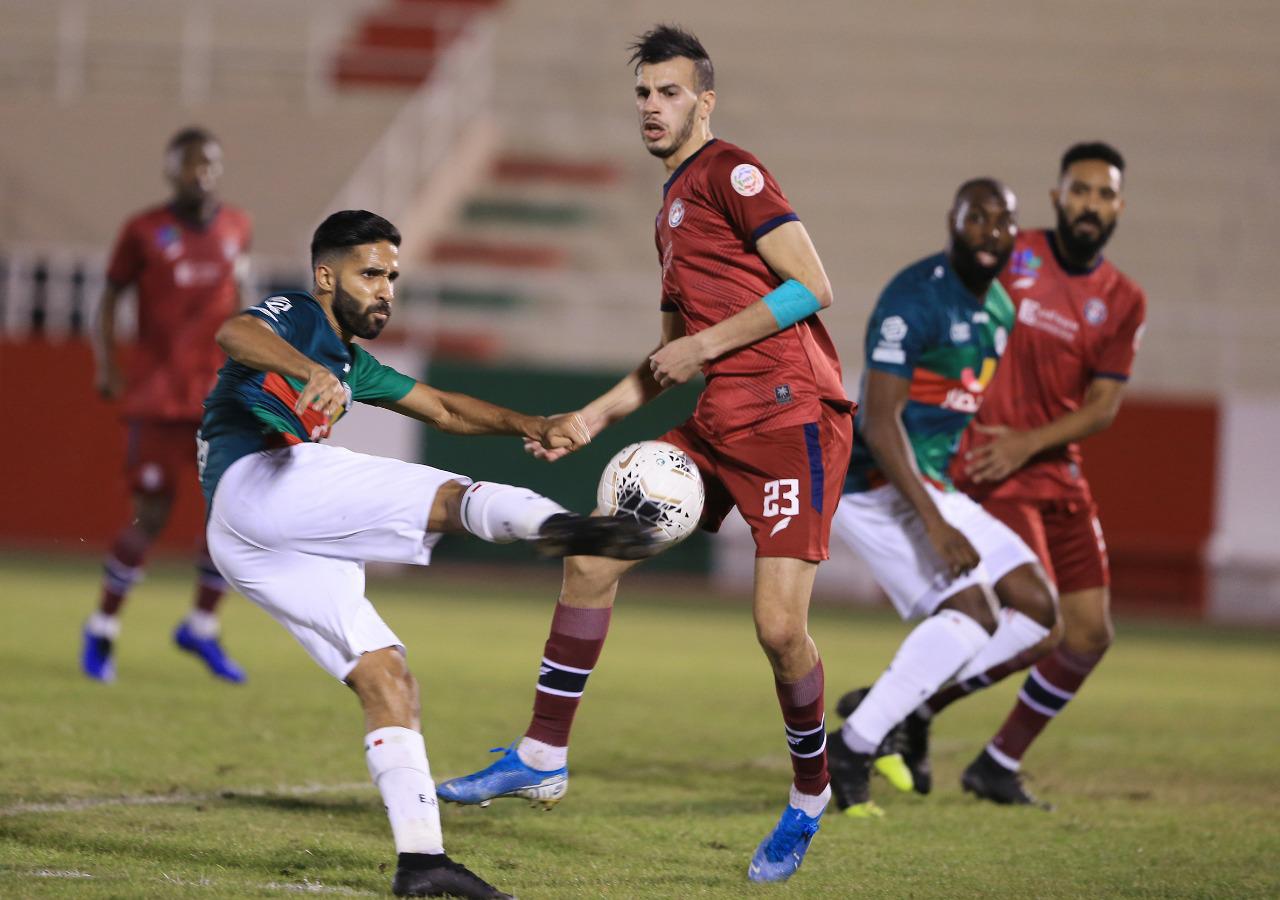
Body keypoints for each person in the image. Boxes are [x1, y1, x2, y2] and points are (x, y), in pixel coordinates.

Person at [436, 26, 854, 884]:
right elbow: (669, 356)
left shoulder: (734, 172)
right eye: (642, 94)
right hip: (717, 422)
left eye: (669, 93)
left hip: (791, 420)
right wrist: (590, 419)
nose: (653, 108)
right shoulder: (667, 211)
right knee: (591, 556)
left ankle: (810, 794)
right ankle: (542, 755)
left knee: (779, 630)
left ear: (705, 99)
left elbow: (814, 284)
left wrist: (705, 351)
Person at [201, 209, 655, 899]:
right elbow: (234, 332)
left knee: (388, 677)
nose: (386, 289)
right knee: (451, 497)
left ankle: (422, 863)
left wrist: (532, 423)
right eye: (370, 274)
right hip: (258, 479)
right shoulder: (296, 313)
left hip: (250, 540)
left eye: (393, 277)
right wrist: (304, 370)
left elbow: (443, 409)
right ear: (327, 276)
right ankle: (566, 530)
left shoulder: (353, 362)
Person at [893, 142, 1148, 808]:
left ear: (1118, 206)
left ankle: (993, 761)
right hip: (989, 467)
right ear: (1058, 195)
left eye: (1103, 194)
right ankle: (898, 710)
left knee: (1091, 634)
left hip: (1055, 470)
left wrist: (1031, 441)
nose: (1090, 203)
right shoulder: (1010, 253)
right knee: (1044, 621)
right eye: (1079, 189)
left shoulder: (1123, 300)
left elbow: (1103, 407)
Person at [826, 180, 1059, 816]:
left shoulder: (1002, 314)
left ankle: (902, 706)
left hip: (930, 484)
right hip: (874, 485)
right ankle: (851, 747)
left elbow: (949, 405)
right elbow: (879, 422)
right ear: (952, 223)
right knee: (973, 614)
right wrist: (935, 523)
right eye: (976, 218)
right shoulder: (914, 297)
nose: (991, 231)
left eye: (1003, 221)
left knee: (1038, 612)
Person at [83, 126, 253, 684]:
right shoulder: (143, 230)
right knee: (150, 516)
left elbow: (242, 299)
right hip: (158, 397)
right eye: (191, 163)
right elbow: (109, 296)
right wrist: (107, 364)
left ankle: (201, 626)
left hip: (218, 398)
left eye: (211, 163)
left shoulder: (236, 227)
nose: (201, 173)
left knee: (235, 516)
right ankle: (103, 628)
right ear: (170, 167)